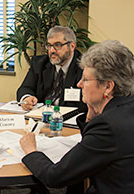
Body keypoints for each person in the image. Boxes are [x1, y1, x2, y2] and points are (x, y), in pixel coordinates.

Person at [20, 40, 134, 194]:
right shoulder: (124, 109)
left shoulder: (108, 125)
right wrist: (89, 118)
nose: (79, 84)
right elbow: (94, 151)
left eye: (85, 79)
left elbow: (55, 177)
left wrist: (31, 151)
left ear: (107, 86)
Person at [17, 26, 84, 111]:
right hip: (41, 116)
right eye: (49, 45)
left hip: (70, 119)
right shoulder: (39, 64)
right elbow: (25, 88)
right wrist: (27, 98)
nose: (52, 50)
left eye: (57, 45)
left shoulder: (84, 66)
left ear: (72, 46)